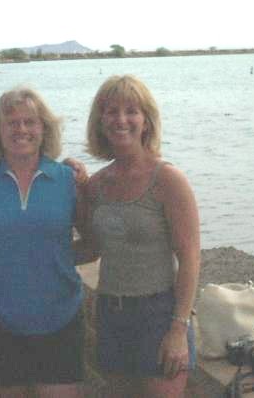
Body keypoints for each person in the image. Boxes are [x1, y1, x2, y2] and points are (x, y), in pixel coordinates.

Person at [77, 74, 201, 398]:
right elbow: (91, 249)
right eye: (111, 111)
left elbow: (190, 258)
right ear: (100, 121)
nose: (121, 120)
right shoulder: (96, 185)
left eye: (131, 111)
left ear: (146, 121)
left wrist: (178, 329)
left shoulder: (168, 180)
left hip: (158, 315)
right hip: (110, 313)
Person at [0, 87, 87, 398]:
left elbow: (92, 242)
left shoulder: (68, 179)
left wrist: (52, 260)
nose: (21, 129)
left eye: (30, 122)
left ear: (44, 128)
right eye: (11, 122)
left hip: (61, 318)